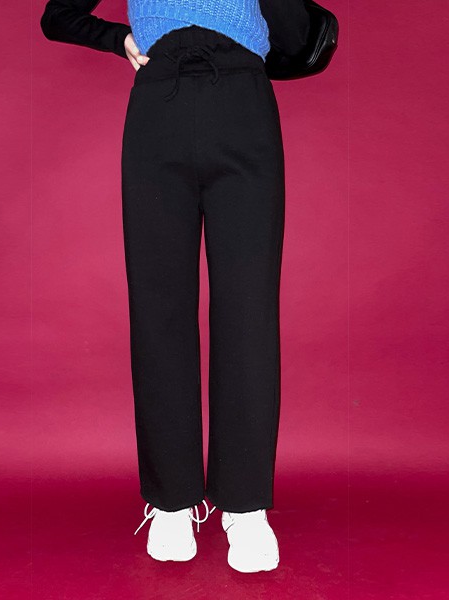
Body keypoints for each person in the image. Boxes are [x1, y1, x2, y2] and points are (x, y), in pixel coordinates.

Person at [40, 0, 285, 573]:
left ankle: (245, 504)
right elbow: (58, 15)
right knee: (158, 307)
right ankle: (171, 500)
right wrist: (119, 39)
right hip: (159, 104)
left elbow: (295, 28)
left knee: (248, 311)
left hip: (244, 99)